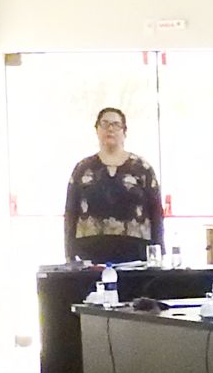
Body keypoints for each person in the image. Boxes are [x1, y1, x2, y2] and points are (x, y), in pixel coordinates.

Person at [63, 106, 164, 262]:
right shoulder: (82, 169)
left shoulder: (142, 169)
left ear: (125, 132)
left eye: (116, 125)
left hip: (136, 254)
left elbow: (156, 213)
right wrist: (69, 254)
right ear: (97, 130)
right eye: (105, 124)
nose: (110, 129)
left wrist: (159, 253)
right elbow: (71, 212)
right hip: (90, 254)